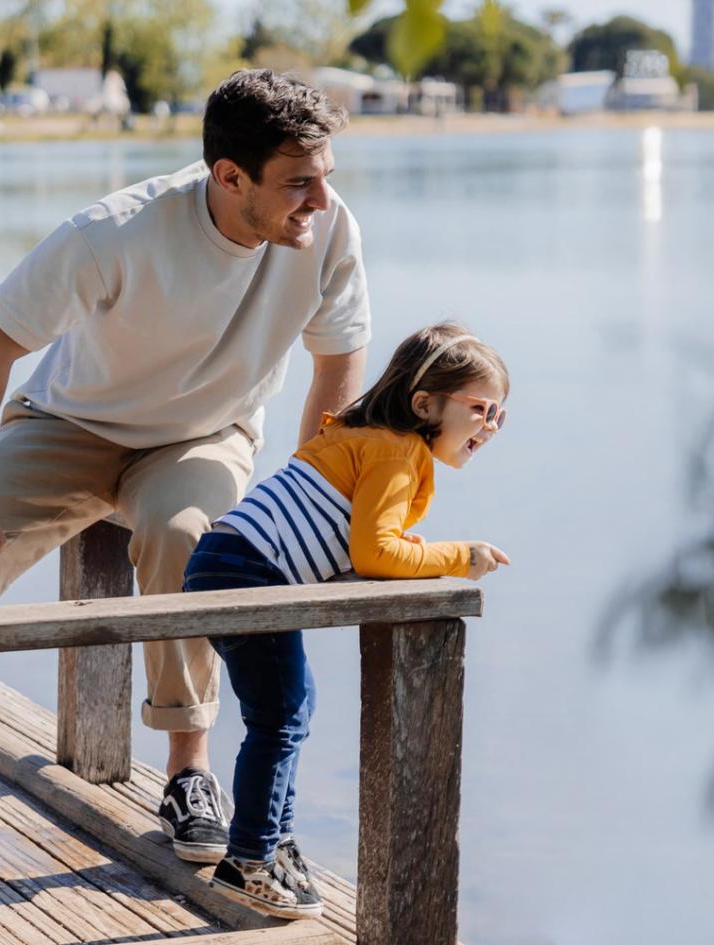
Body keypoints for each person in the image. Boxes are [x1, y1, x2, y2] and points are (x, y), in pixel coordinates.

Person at [0, 68, 371, 895]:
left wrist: (315, 508)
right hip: (68, 427)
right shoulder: (116, 232)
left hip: (203, 436)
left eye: (325, 177)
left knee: (194, 543)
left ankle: (188, 773)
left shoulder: (328, 227)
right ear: (229, 177)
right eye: (298, 183)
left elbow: (340, 359)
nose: (319, 200)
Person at [182, 323, 512, 919]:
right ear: (425, 404)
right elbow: (376, 553)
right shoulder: (396, 451)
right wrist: (460, 557)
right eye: (481, 409)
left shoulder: (366, 437)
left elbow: (361, 538)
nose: (489, 427)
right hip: (251, 570)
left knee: (290, 708)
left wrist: (406, 548)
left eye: (500, 416)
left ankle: (271, 845)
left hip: (227, 558)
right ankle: (248, 859)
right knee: (280, 717)